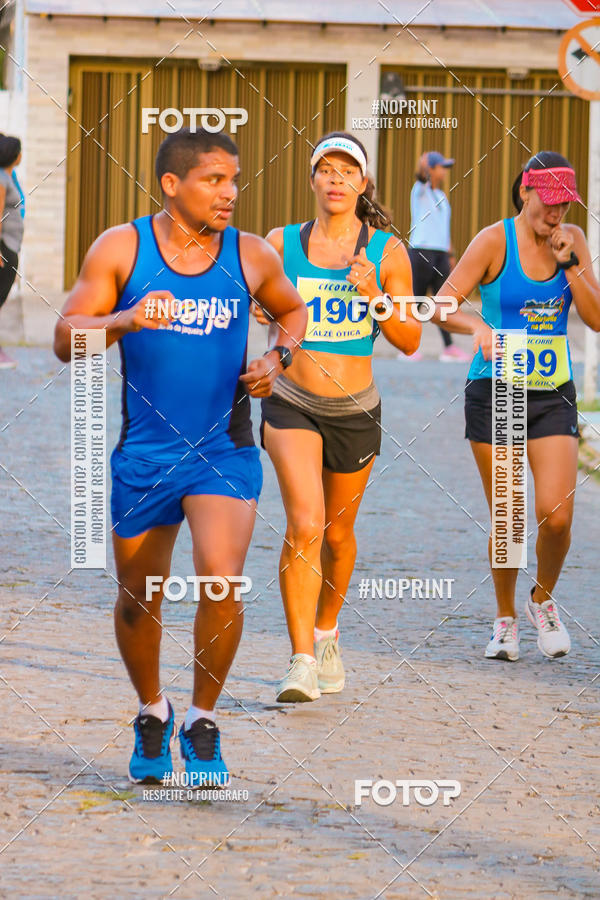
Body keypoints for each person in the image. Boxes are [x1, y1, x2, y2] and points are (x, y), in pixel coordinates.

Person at [53, 129, 307, 784]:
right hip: (145, 453)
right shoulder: (122, 247)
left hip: (223, 448)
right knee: (139, 597)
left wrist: (275, 360)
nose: (230, 193)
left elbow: (291, 311)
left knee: (221, 577)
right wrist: (125, 320)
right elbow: (64, 338)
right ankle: (151, 711)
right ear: (172, 185)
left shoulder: (250, 254)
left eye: (235, 179)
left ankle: (201, 721)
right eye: (214, 180)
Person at [254, 132, 421, 702]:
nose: (335, 179)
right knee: (304, 524)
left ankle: (327, 632)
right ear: (311, 180)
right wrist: (262, 313)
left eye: (347, 170)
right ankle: (300, 660)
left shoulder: (387, 250)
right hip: (292, 402)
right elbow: (263, 309)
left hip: (355, 410)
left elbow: (411, 339)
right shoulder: (281, 243)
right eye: (325, 169)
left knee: (338, 534)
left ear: (363, 182)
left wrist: (376, 295)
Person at [432, 151, 600, 661]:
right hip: (497, 388)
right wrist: (479, 327)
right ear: (525, 191)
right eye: (548, 202)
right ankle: (504, 618)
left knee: (558, 517)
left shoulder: (574, 242)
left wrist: (572, 264)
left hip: (552, 393)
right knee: (508, 517)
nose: (556, 213)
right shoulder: (493, 240)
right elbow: (441, 302)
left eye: (564, 204)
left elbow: (594, 319)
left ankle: (541, 601)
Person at [406, 150, 468, 363]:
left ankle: (449, 348)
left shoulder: (442, 196)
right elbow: (421, 177)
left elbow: (443, 227)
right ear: (431, 169)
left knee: (442, 301)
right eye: (441, 166)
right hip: (421, 251)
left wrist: (450, 253)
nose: (444, 171)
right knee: (416, 300)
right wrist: (422, 165)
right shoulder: (420, 191)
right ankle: (408, 346)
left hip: (440, 253)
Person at [0, 134, 25, 369]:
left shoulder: (8, 176)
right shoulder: (1, 179)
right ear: (14, 155)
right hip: (4, 246)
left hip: (10, 244)